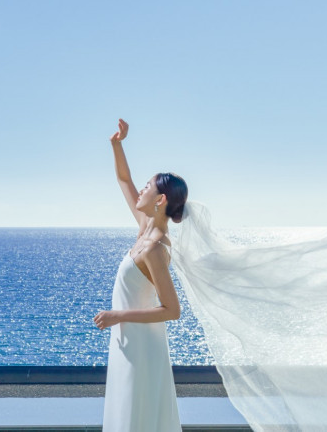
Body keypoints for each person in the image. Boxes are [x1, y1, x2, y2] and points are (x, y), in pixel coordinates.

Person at [93, 118, 187, 432]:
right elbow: (123, 179)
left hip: (144, 350)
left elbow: (172, 311)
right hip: (128, 343)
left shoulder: (155, 248)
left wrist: (118, 315)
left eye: (148, 187)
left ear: (160, 201)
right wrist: (117, 144)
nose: (141, 190)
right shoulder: (144, 229)